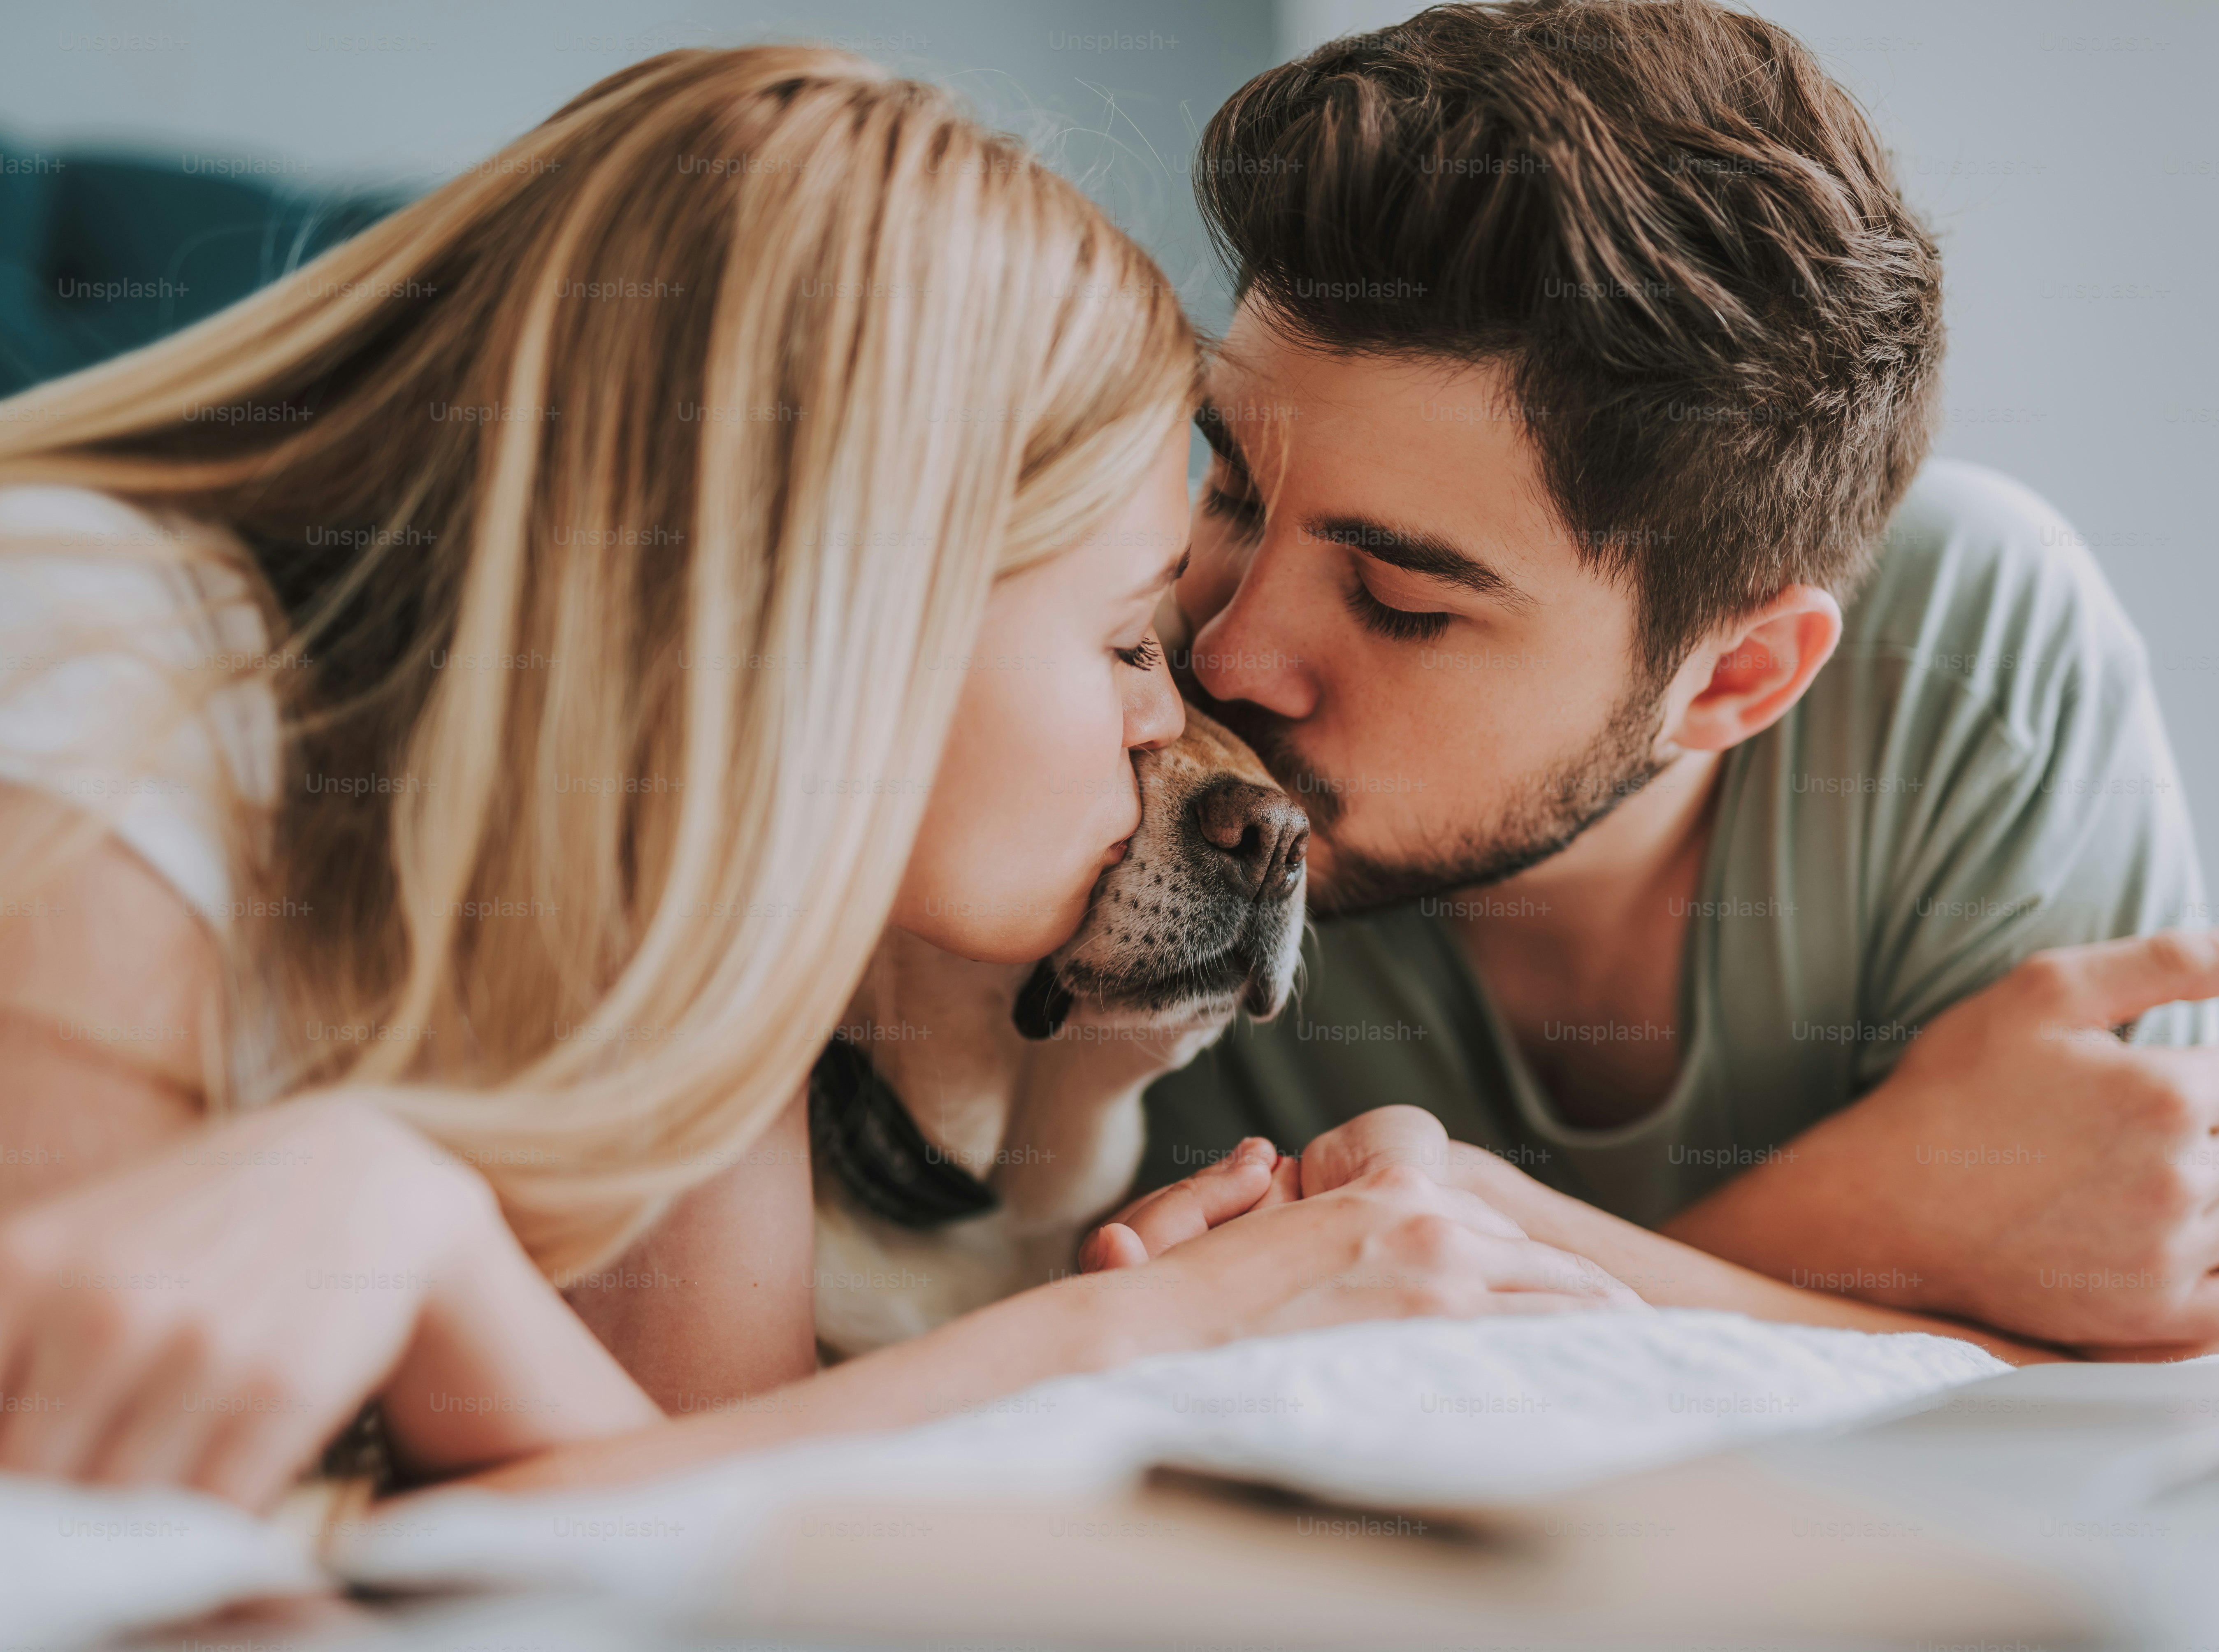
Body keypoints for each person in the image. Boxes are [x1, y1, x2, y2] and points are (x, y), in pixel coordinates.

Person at [0, 46, 1663, 1511]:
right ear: (846, 614)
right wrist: (1147, 1329)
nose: (1189, 713)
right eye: (1122, 639)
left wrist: (432, 1263)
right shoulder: (97, 665)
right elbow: (98, 1539)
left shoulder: (688, 860)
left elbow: (673, 1482)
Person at [1133, 0, 2219, 1356]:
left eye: (1398, 602)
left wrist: (1485, 1249)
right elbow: (1197, 1353)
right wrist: (1883, 1217)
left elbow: (2133, 1358)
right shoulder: (1126, 660)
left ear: (1738, 675)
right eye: (1233, 486)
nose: (1222, 654)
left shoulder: (1966, 649)